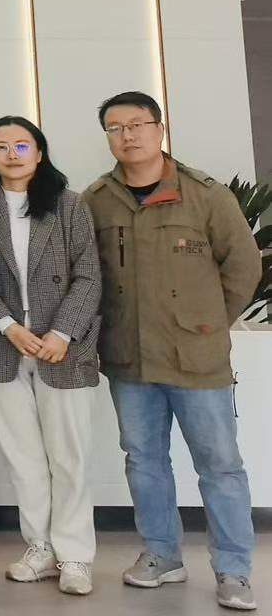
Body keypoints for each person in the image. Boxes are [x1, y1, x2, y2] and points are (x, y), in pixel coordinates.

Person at [83, 91, 260, 612]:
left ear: (159, 129)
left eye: (137, 124)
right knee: (144, 461)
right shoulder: (97, 200)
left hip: (196, 359)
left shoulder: (206, 195)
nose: (127, 135)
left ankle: (233, 569)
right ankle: (161, 555)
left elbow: (243, 266)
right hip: (129, 358)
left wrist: (205, 323)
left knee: (220, 465)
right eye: (115, 128)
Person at [0, 116, 101, 597]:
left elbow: (89, 274)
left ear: (39, 153)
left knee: (69, 456)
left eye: (21, 145)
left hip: (62, 345)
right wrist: (7, 325)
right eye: (0, 146)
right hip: (2, 344)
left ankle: (75, 555)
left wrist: (63, 332)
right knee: (22, 456)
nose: (12, 154)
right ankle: (40, 547)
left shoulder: (69, 205)